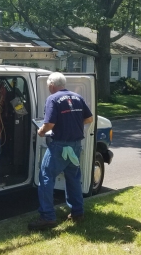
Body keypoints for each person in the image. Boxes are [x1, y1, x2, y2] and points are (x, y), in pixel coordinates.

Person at [28, 72, 94, 231]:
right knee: (73, 178)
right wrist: (74, 125)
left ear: (51, 85)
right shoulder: (77, 97)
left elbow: (49, 123)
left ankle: (47, 217)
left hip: (59, 146)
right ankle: (77, 212)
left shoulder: (53, 98)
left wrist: (41, 131)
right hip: (76, 145)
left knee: (45, 177)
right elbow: (89, 119)